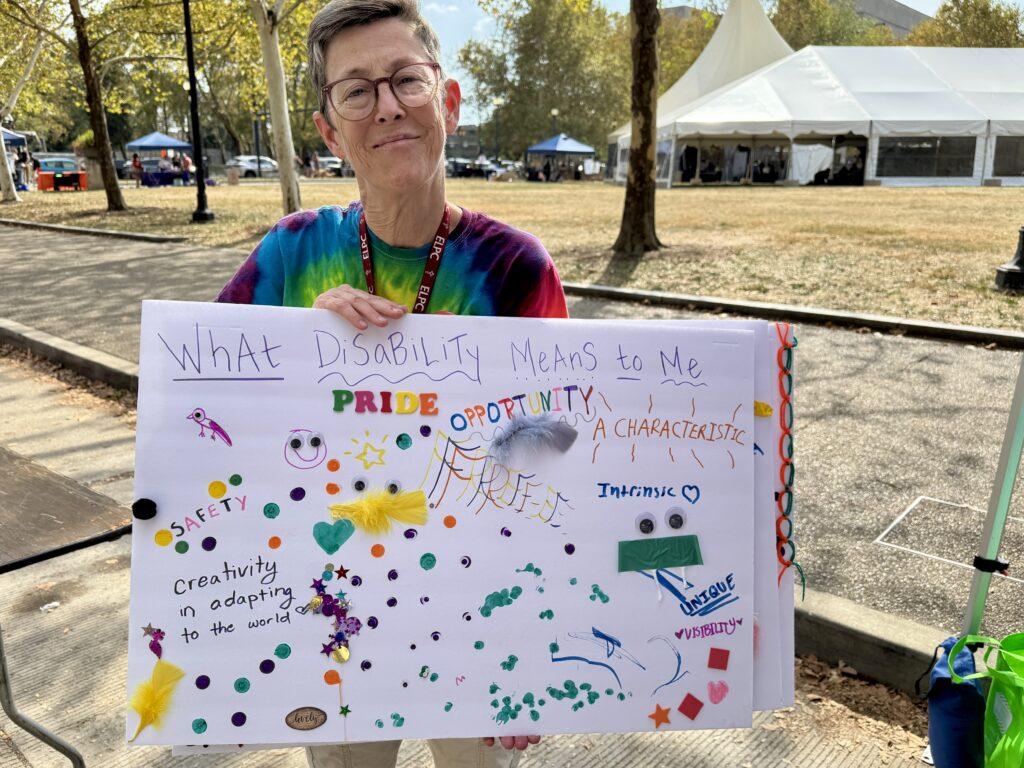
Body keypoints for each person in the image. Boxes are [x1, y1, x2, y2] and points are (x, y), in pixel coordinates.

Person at [216, 1, 566, 765]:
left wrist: (536, 638)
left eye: (406, 79)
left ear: (448, 100)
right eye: (356, 90)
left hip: (475, 612)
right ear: (328, 129)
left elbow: (552, 461)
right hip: (330, 605)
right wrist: (298, 347)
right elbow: (202, 412)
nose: (386, 107)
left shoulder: (514, 269)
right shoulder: (291, 254)